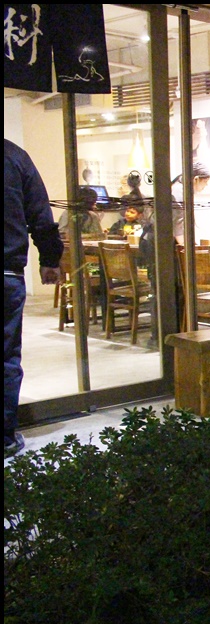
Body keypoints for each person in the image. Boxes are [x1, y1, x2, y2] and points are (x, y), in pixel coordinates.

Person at [5, 139, 64, 456]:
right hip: (6, 273)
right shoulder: (14, 156)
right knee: (5, 357)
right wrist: (50, 259)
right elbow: (40, 214)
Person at [170, 161, 210, 245]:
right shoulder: (179, 192)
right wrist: (189, 247)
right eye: (205, 181)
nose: (206, 185)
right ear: (196, 179)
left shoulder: (181, 189)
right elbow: (178, 225)